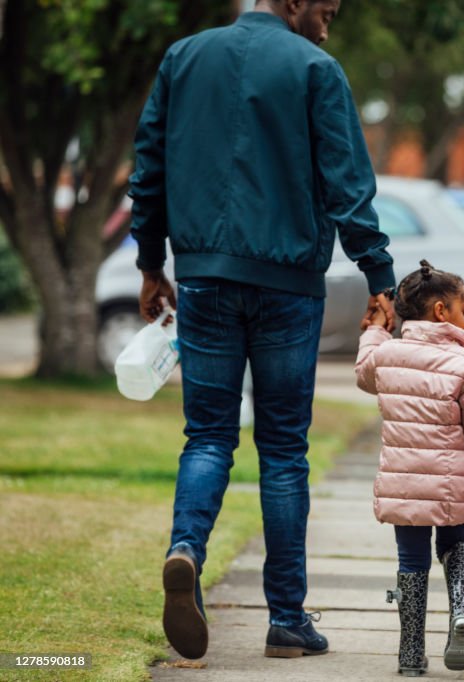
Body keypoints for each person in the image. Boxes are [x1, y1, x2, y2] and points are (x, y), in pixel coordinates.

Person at [129, 0, 396, 661]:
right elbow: (347, 185)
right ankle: (286, 619)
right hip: (286, 285)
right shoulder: (315, 68)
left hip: (205, 280)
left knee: (208, 436)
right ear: (296, 2)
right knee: (282, 452)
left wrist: (149, 262)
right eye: (327, 9)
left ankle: (186, 547)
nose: (330, 23)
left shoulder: (183, 58)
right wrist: (380, 275)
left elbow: (149, 167)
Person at [355, 260, 464, 677]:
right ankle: (461, 609)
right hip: (455, 483)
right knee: (454, 547)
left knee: (411, 562)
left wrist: (376, 326)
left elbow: (364, 372)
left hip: (404, 482)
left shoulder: (388, 356)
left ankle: (410, 652)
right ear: (442, 311)